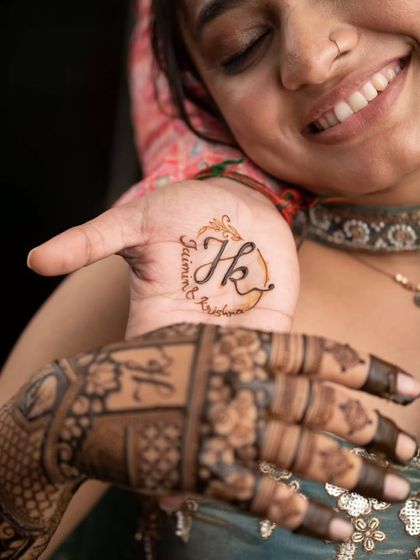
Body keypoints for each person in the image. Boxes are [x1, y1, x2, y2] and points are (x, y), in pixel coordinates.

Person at [1, 1, 420, 559]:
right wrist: (44, 434)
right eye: (244, 44)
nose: (310, 58)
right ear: (202, 95)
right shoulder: (181, 273)